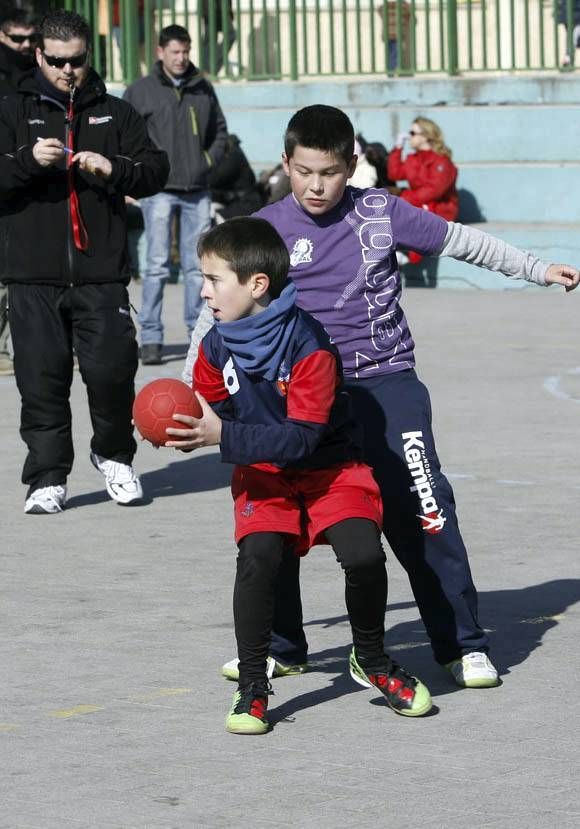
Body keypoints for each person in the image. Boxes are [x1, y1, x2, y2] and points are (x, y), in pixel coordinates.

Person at [184, 105, 579, 691]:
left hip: (384, 383)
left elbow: (460, 241)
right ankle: (285, 647)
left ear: (352, 165)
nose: (317, 186)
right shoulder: (264, 229)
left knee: (425, 506)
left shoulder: (379, 212)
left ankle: (461, 643)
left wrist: (535, 267)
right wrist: (197, 387)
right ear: (286, 164)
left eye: (331, 172)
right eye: (304, 172)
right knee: (277, 516)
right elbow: (213, 313)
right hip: (293, 393)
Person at [166, 216, 432, 733]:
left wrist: (220, 436)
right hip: (264, 473)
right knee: (259, 557)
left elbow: (301, 439)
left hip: (329, 467)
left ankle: (372, 660)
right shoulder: (216, 347)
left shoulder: (310, 347)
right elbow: (208, 404)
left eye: (214, 279)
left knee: (362, 552)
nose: (203, 292)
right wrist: (181, 427)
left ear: (256, 284)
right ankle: (252, 684)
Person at [0, 9, 169, 514]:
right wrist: (29, 161)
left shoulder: (115, 113)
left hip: (101, 273)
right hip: (32, 275)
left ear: (86, 56)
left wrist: (112, 167)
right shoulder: (10, 108)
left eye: (76, 61)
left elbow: (155, 170)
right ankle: (48, 477)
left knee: (113, 371)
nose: (67, 71)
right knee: (41, 378)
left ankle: (114, 455)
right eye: (56, 62)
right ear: (38, 55)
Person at [124, 24, 227, 366]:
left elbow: (220, 132)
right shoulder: (140, 91)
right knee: (155, 266)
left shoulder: (203, 88)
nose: (181, 58)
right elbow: (127, 139)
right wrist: (139, 176)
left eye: (185, 51)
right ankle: (151, 338)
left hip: (197, 189)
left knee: (199, 269)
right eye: (174, 52)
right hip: (158, 190)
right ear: (160, 52)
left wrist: (206, 163)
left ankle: (198, 337)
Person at [0, 5, 36, 376]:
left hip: (31, 179)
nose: (25, 45)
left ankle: (19, 347)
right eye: (17, 39)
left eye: (30, 38)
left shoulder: (36, 73)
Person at [388, 116, 458, 265]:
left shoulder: (442, 161)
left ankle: (407, 256)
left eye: (412, 133)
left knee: (414, 208)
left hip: (440, 208)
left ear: (425, 136)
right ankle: (396, 249)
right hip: (418, 203)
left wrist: (405, 197)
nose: (408, 136)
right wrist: (398, 146)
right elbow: (394, 173)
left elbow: (434, 191)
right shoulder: (413, 158)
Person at [208, 133, 263, 221]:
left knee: (210, 221)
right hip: (233, 203)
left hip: (245, 205)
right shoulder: (226, 150)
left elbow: (216, 178)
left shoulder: (233, 153)